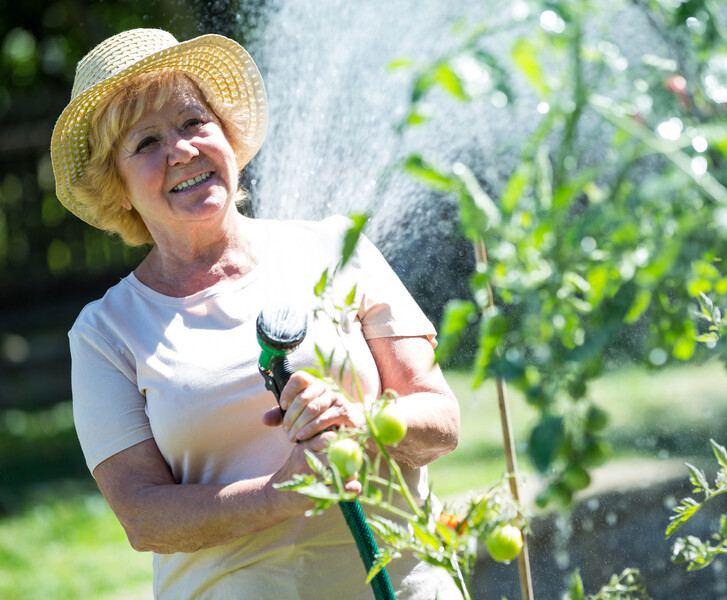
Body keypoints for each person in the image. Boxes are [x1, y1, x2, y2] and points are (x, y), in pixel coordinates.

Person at [51, 28, 461, 600]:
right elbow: (143, 518)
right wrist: (283, 493)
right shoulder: (105, 333)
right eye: (146, 143)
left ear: (226, 135)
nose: (181, 149)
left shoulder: (337, 247)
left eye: (195, 122)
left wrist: (362, 421)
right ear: (116, 186)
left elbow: (441, 422)